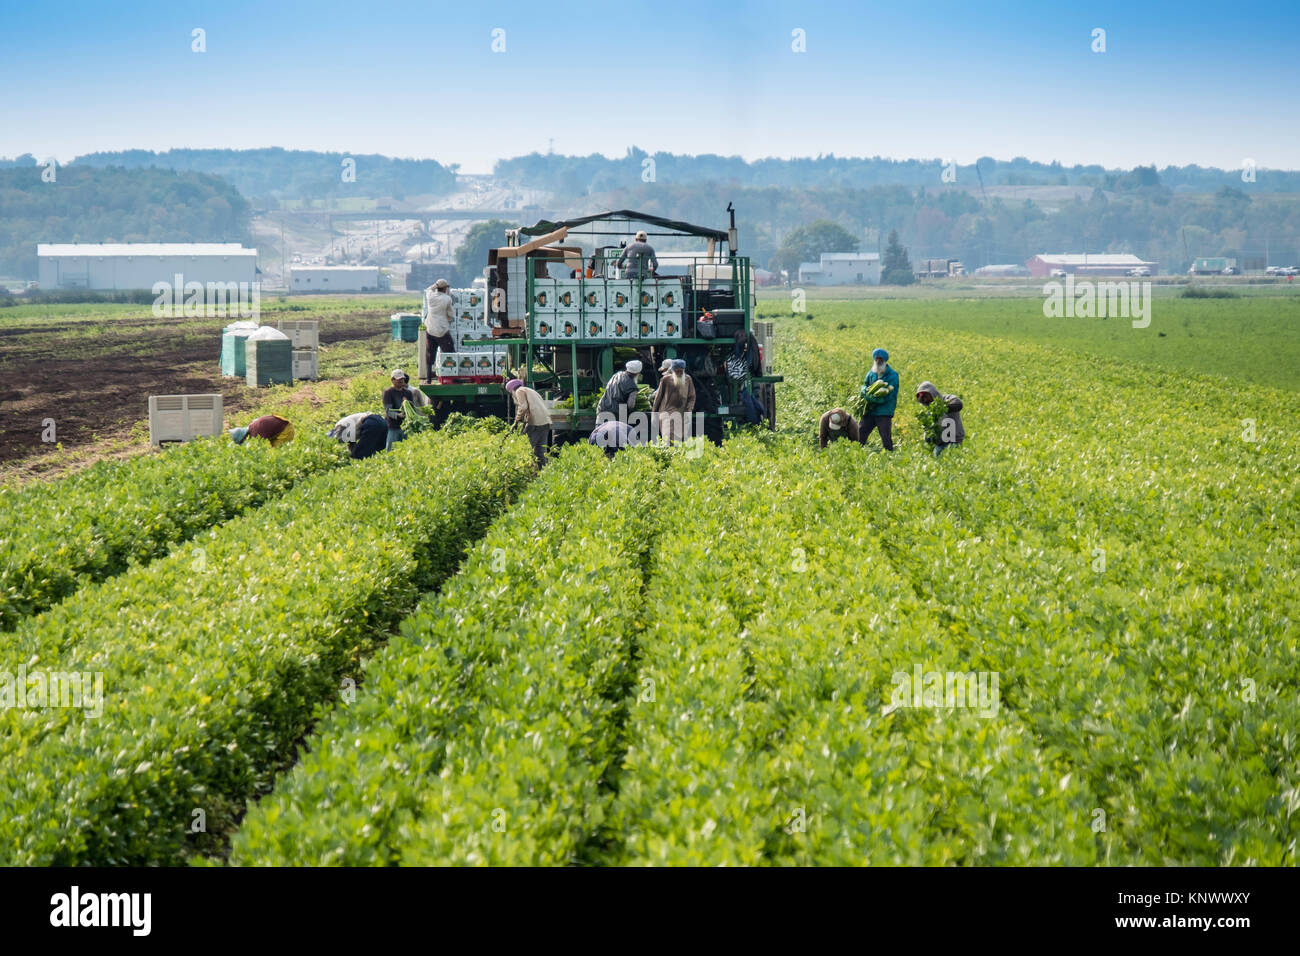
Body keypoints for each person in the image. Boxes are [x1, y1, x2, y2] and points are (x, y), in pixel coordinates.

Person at [858, 348, 900, 451]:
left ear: (885, 360)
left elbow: (890, 394)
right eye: (877, 359)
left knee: (885, 436)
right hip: (870, 410)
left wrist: (876, 400)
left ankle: (889, 456)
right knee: (861, 431)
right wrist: (864, 391)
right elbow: (865, 384)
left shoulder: (892, 375)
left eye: (880, 359)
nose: (878, 361)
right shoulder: (871, 373)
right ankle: (856, 451)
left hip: (884, 411)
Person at [505, 378, 552, 469]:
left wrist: (517, 420)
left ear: (512, 390)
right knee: (540, 451)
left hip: (535, 423)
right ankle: (544, 472)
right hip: (545, 422)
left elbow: (523, 407)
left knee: (524, 447)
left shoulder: (519, 391)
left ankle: (524, 470)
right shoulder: (530, 391)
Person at [381, 368, 428, 451]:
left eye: (402, 379)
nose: (401, 380)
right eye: (398, 379)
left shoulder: (408, 393)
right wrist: (397, 415)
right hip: (393, 426)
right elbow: (388, 410)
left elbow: (412, 408)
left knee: (407, 449)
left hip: (406, 426)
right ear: (392, 380)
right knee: (390, 449)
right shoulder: (388, 392)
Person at [652, 357, 696, 444]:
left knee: (681, 438)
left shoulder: (688, 379)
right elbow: (658, 397)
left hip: (682, 413)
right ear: (673, 370)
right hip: (667, 413)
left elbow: (692, 397)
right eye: (677, 371)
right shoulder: (665, 380)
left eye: (681, 371)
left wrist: (689, 409)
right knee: (668, 437)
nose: (679, 373)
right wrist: (654, 413)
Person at [915, 381, 966, 456]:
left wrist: (941, 408)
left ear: (932, 392)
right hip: (940, 445)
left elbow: (958, 404)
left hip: (955, 441)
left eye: (925, 396)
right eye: (922, 398)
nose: (925, 400)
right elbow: (927, 435)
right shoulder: (928, 413)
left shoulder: (947, 399)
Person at [423, 278, 455, 382]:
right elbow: (451, 314)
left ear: (437, 287)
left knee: (430, 353)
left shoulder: (430, 296)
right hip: (441, 330)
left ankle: (428, 378)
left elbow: (428, 289)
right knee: (449, 352)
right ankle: (451, 376)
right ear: (445, 288)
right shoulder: (447, 299)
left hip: (430, 329)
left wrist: (435, 285)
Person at [229, 414, 295, 447]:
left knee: (277, 452)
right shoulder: (251, 426)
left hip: (286, 429)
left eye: (242, 441)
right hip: (281, 423)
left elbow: (262, 447)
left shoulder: (255, 434)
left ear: (244, 437)